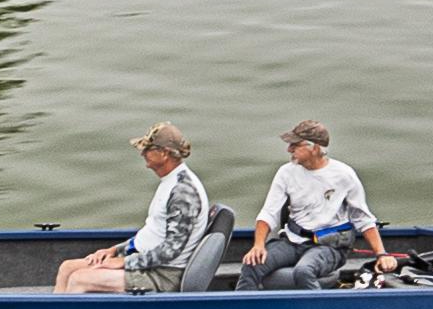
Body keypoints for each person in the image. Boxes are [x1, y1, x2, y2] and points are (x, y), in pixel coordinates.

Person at [241, 120, 394, 288]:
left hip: (329, 247)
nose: (289, 149)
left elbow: (363, 219)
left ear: (315, 148)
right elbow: (269, 212)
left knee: (304, 271)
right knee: (252, 264)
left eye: (295, 145)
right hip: (292, 241)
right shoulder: (286, 173)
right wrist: (258, 245)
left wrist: (382, 254)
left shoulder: (344, 175)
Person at [56, 124, 207, 292]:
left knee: (80, 279)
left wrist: (124, 262)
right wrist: (115, 250)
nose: (142, 153)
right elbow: (153, 234)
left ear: (164, 153)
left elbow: (171, 250)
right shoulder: (171, 181)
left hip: (163, 274)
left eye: (147, 149)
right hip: (145, 261)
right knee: (67, 268)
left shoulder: (184, 193)